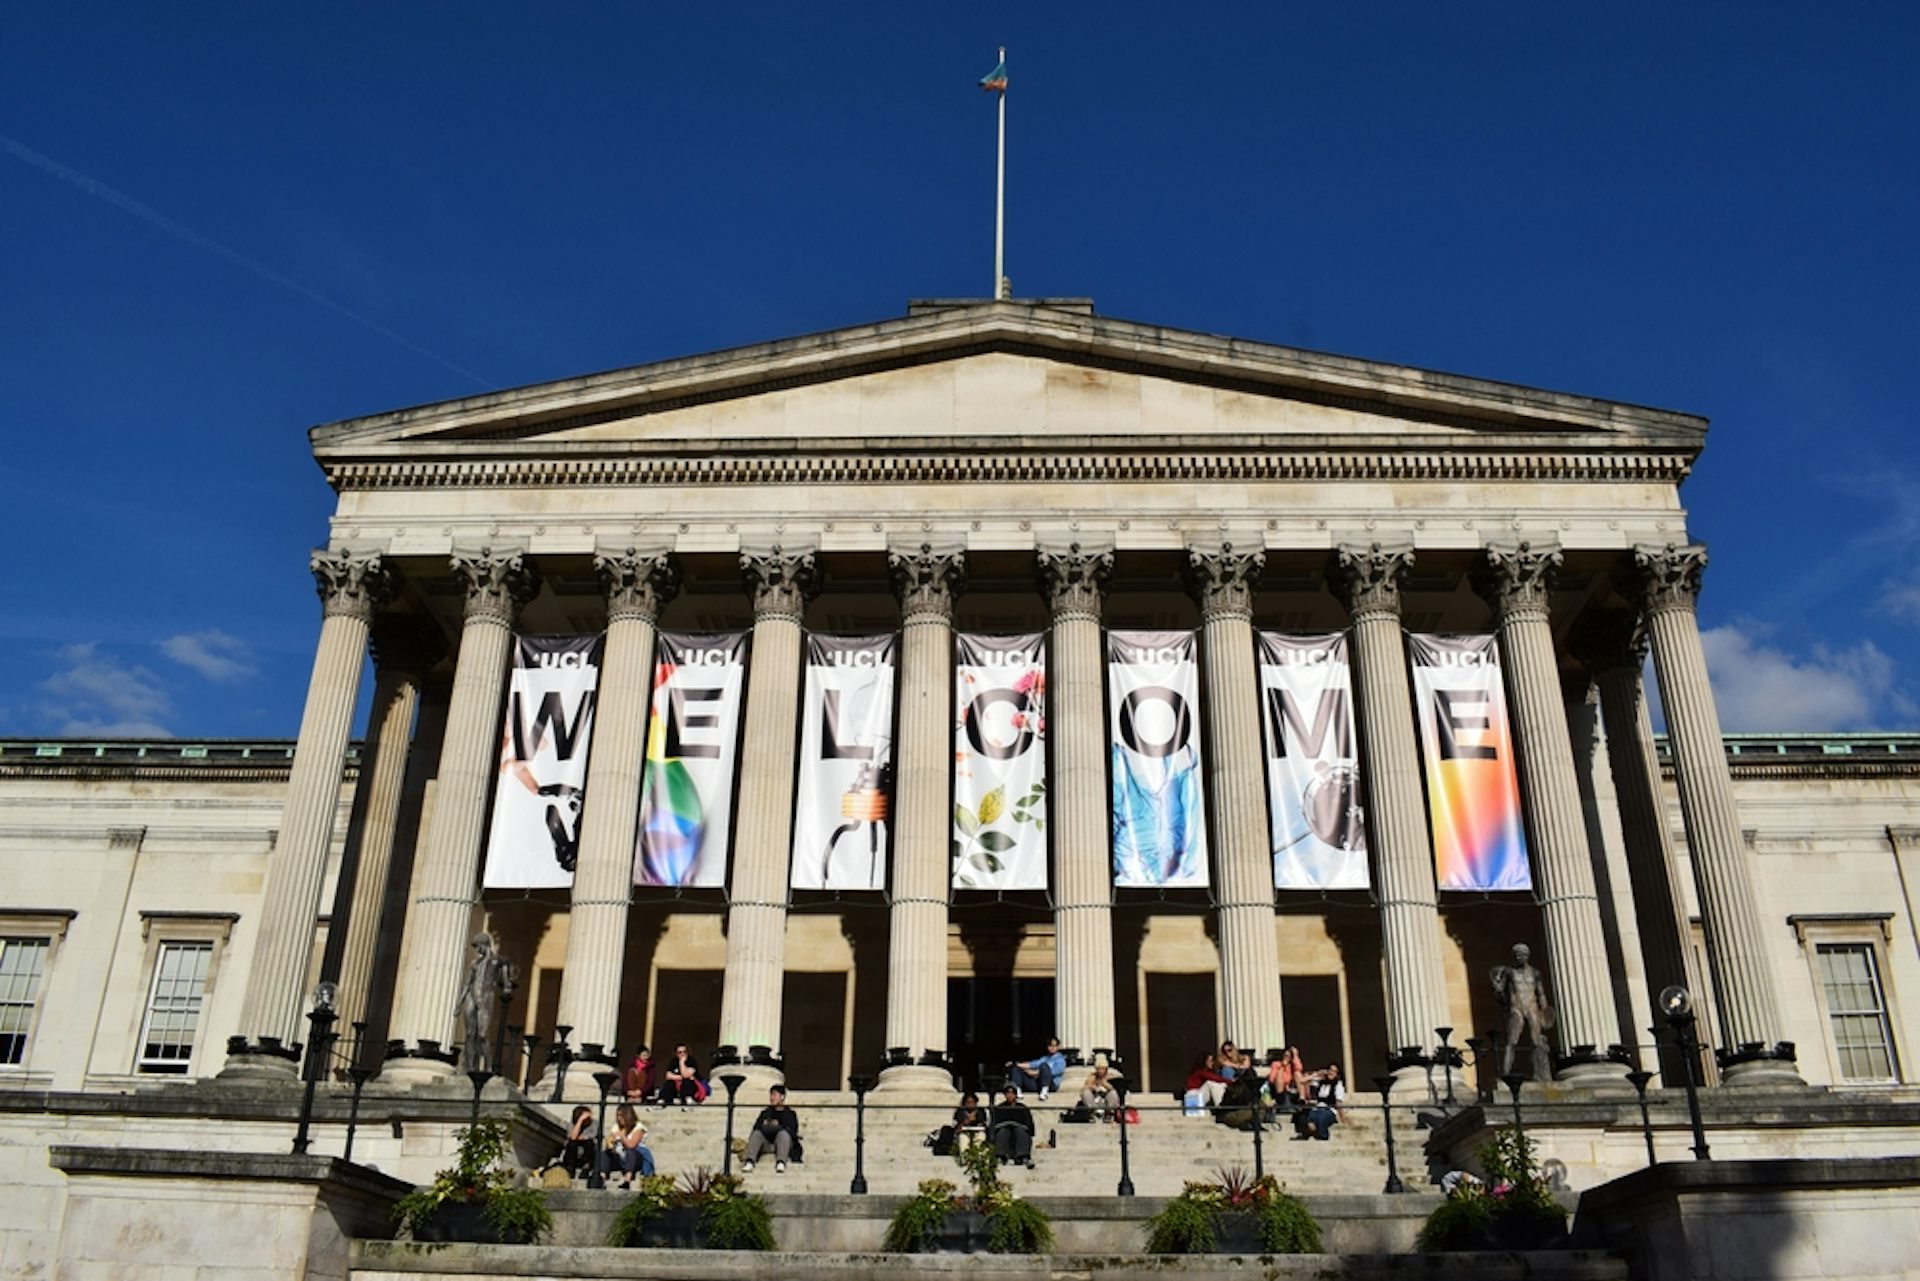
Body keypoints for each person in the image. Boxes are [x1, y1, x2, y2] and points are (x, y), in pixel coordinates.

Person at [1491, 943, 1557, 1083]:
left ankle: (1540, 1075)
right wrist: (1498, 990)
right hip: (1516, 1007)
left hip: (1532, 1007)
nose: (1520, 957)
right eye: (1518, 954)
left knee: (1536, 1041)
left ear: (1528, 956)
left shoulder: (1535, 973)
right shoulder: (1509, 972)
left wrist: (1544, 1010)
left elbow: (1541, 993)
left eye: (1523, 954)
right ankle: (1506, 1074)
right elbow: (1501, 994)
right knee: (1511, 1041)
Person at [455, 933, 517, 1074]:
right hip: (471, 997)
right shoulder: (475, 963)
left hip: (486, 996)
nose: (477, 950)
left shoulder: (498, 960)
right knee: (470, 1034)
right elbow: (467, 984)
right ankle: (471, 1067)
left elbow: (507, 974)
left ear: (485, 944)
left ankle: (489, 1067)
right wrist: (459, 1004)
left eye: (478, 946)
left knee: (483, 1034)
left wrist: (507, 985)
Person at [741, 1085, 800, 1173]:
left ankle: (781, 1162)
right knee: (757, 1133)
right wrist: (769, 1126)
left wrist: (777, 1126)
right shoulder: (765, 1112)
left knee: (783, 1134)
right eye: (771, 1095)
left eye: (774, 1095)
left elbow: (792, 1131)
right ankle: (750, 1161)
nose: (772, 1098)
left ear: (782, 1097)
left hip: (782, 1144)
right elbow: (757, 1127)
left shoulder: (790, 1113)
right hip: (766, 1143)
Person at [602, 1104, 655, 1187]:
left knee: (630, 1152)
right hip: (620, 1156)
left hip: (635, 1157)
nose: (619, 1118)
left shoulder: (638, 1128)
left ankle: (627, 1179)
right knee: (605, 1154)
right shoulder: (616, 1127)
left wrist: (621, 1136)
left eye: (621, 1115)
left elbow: (631, 1145)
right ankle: (603, 1176)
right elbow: (609, 1144)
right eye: (618, 1115)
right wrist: (611, 1145)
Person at [1293, 1064, 1345, 1141]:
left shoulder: (1338, 1085)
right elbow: (1302, 1081)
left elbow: (1338, 1102)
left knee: (1321, 1118)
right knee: (1305, 1117)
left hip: (1329, 1110)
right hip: (1317, 1109)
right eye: (1330, 1070)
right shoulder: (1321, 1082)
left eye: (1334, 1071)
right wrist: (1317, 1074)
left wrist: (1342, 1117)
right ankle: (1307, 1133)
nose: (1331, 1073)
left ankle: (1323, 1135)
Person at [990, 1083, 1036, 1167]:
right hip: (1004, 1135)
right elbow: (994, 1125)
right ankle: (1000, 1156)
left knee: (1020, 1131)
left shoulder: (1022, 1108)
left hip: (1019, 1135)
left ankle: (1023, 1156)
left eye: (1012, 1093)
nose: (1010, 1095)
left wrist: (1017, 1126)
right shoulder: (999, 1109)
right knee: (1003, 1131)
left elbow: (1030, 1127)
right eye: (1008, 1093)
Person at [1008, 1036, 1066, 1100]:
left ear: (1058, 1047)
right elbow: (1032, 1064)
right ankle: (1018, 1092)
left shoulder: (1060, 1060)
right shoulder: (1044, 1058)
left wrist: (1035, 1073)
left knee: (1044, 1066)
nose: (1052, 1048)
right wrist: (1016, 1064)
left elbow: (1054, 1072)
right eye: (1050, 1045)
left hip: (1050, 1085)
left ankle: (1044, 1092)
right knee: (1016, 1069)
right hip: (1038, 1083)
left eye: (1054, 1046)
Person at [560, 1105, 597, 1180]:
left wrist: (580, 1138)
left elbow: (592, 1136)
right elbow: (572, 1137)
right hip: (573, 1155)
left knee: (589, 1143)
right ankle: (570, 1169)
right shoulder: (572, 1124)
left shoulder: (594, 1123)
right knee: (572, 1144)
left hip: (588, 1153)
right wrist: (580, 1121)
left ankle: (586, 1168)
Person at [1265, 1046, 1305, 1113]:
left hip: (1290, 1088)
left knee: (1297, 1073)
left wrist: (1295, 1055)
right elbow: (1271, 1079)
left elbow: (1299, 1068)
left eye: (1289, 1056)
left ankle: (1302, 1098)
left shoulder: (1292, 1066)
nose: (1287, 1058)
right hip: (1277, 1089)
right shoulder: (1276, 1064)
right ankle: (1279, 1097)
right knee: (1279, 1074)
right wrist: (1282, 1066)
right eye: (1285, 1056)